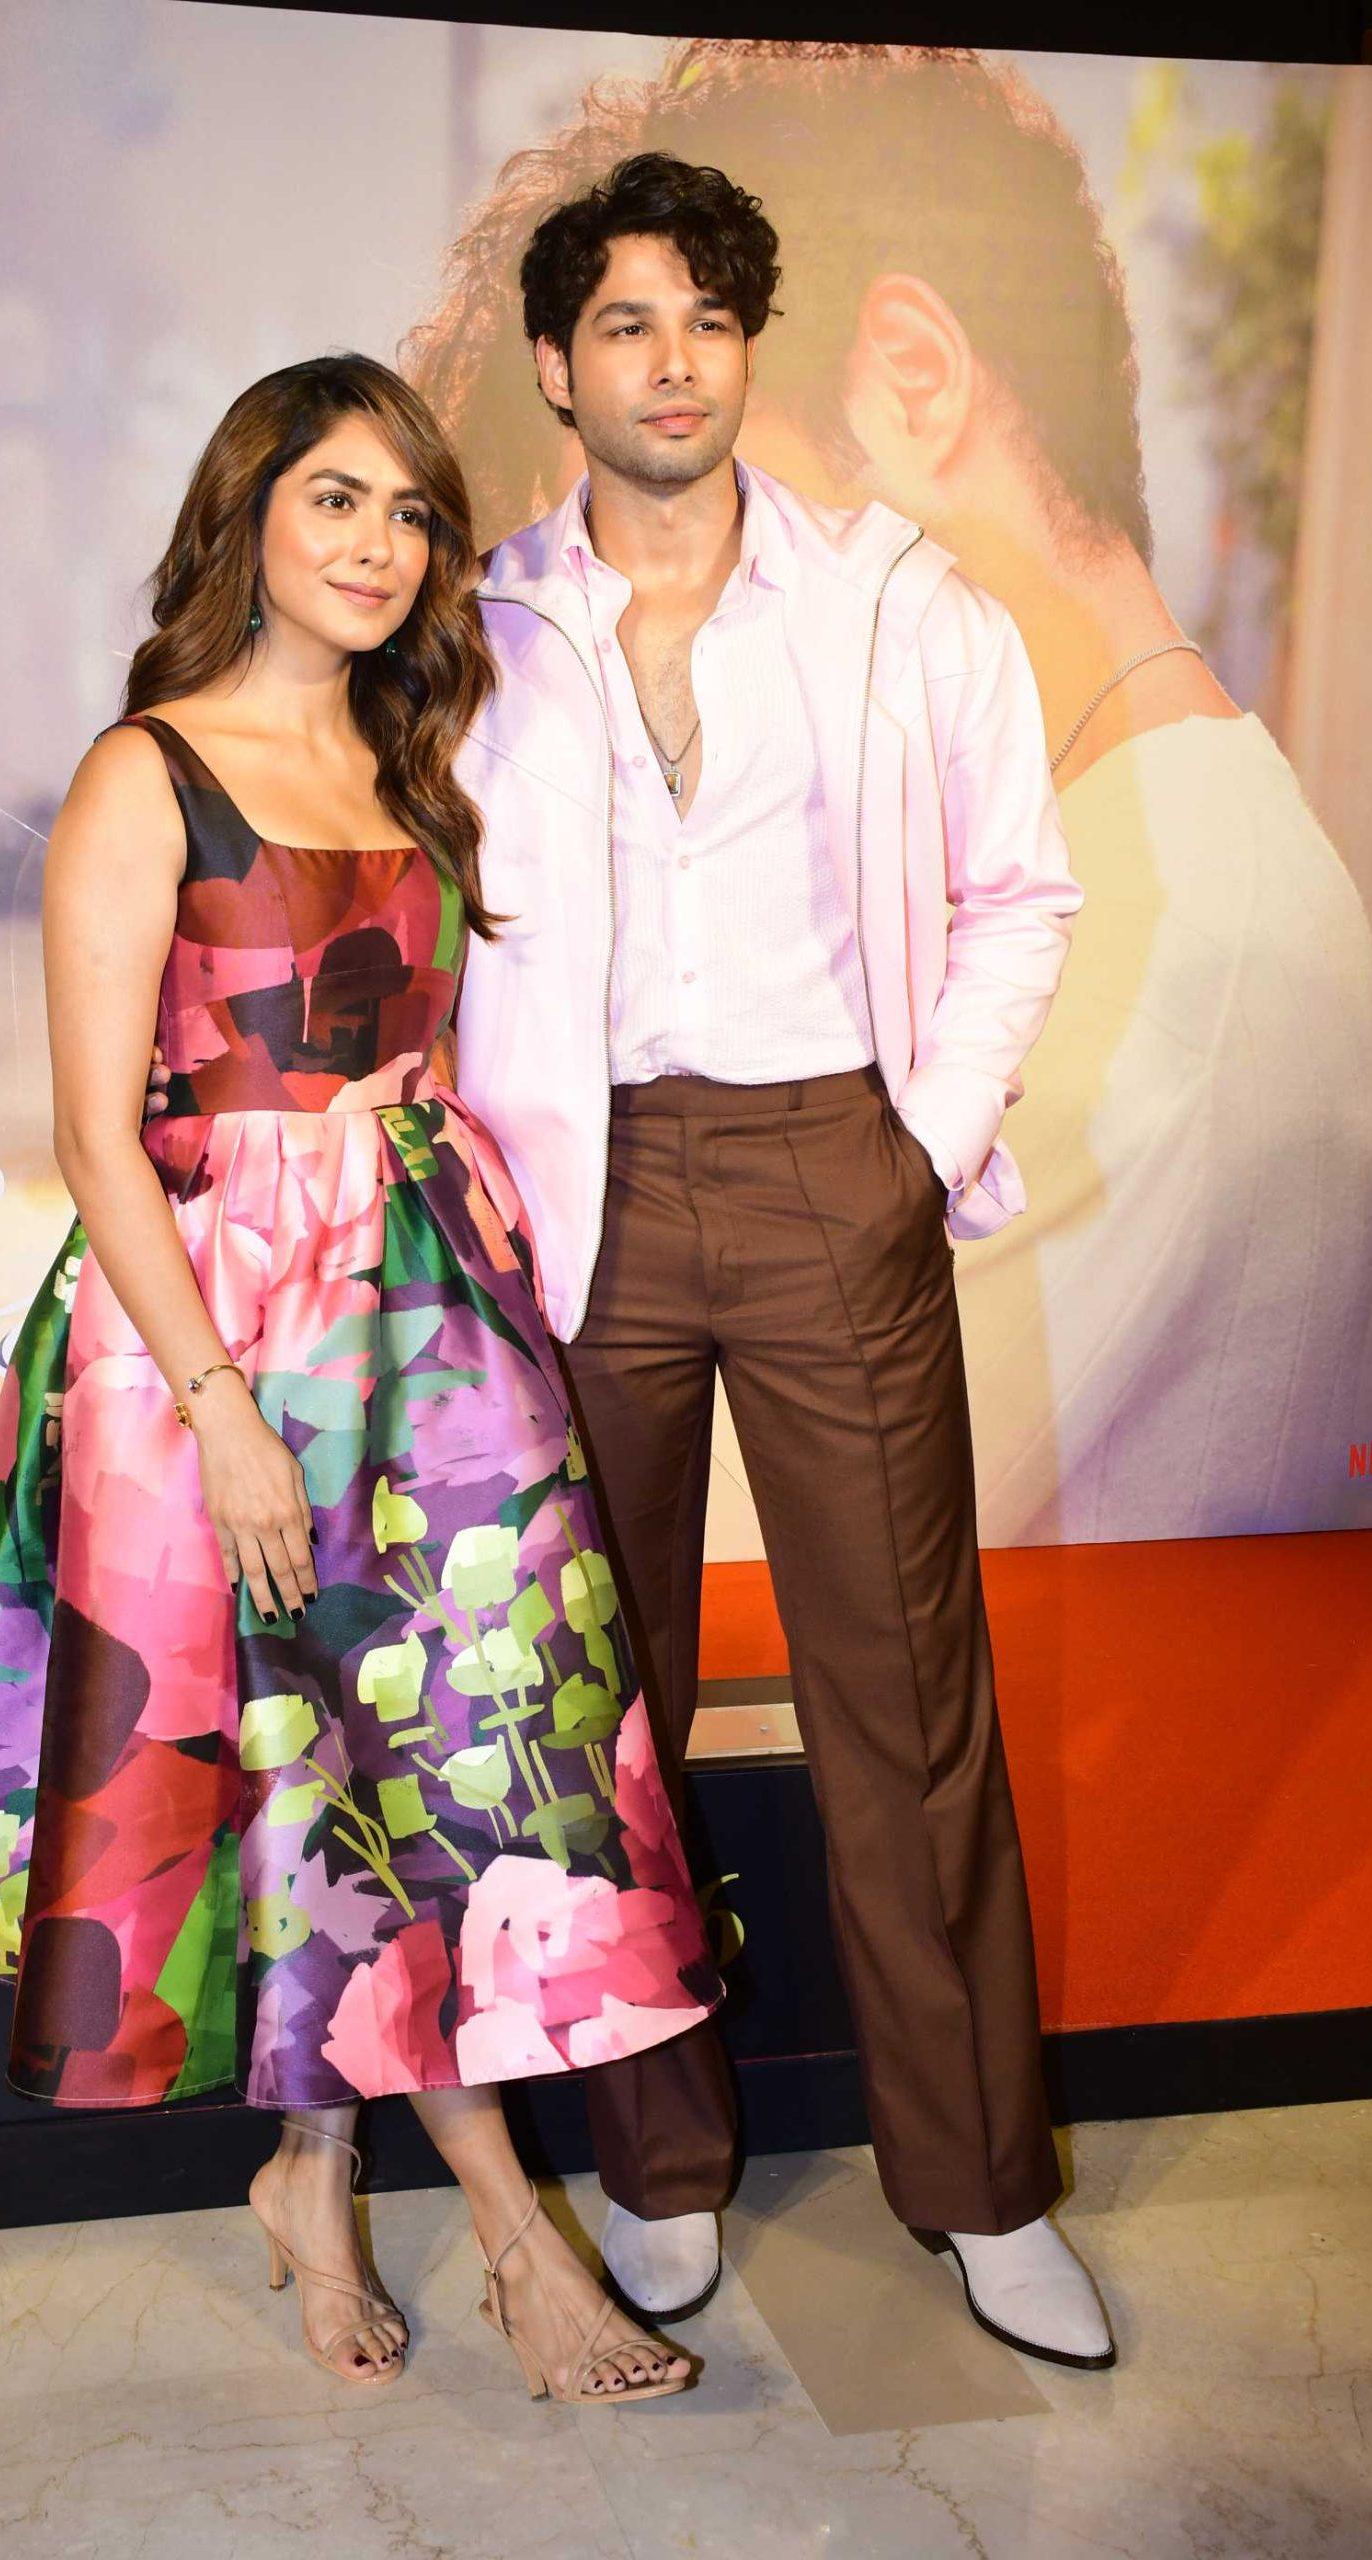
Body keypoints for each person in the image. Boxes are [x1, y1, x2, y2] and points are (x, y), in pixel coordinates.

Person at [0, 353, 725, 2407]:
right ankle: (516, 2239)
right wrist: (222, 1405)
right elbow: (97, 1137)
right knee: (304, 1763)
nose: (378, 544)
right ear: (248, 511)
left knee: (447, 1765)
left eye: (409, 512)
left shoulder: (419, 769)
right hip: (210, 1344)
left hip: (423, 1330)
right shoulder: (143, 772)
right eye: (337, 497)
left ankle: (312, 2174)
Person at [421, 150, 1116, 2368]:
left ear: (747, 353)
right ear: (557, 366)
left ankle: (981, 2184)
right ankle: (657, 2163)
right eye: (626, 326)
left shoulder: (898, 601)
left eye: (708, 324)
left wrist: (915, 1147)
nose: (674, 365)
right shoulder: (473, 631)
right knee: (595, 1707)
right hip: (580, 1194)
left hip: (836, 1161)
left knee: (905, 1700)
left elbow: (1017, 893)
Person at [406, 40, 1372, 1546]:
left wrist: (895, 1164)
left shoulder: (1169, 944)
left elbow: (732, 1513)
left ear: (912, 382)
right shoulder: (1169, 841)